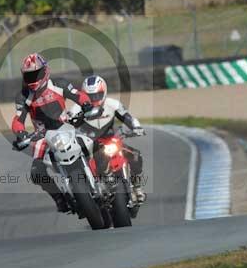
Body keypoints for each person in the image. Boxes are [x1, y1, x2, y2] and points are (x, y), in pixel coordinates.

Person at [11, 53, 93, 212]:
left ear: (45, 70)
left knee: (95, 145)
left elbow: (78, 95)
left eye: (36, 73)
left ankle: (104, 179)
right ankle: (59, 198)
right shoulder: (23, 96)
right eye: (29, 75)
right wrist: (20, 133)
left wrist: (86, 105)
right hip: (41, 136)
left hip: (67, 126)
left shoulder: (59, 83)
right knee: (36, 172)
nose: (33, 78)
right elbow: (18, 120)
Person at [69, 75, 146, 203]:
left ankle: (137, 186)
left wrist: (136, 127)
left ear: (104, 92)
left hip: (112, 141)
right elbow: (68, 125)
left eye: (97, 95)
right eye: (90, 96)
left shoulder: (113, 104)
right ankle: (85, 195)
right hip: (90, 146)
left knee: (136, 156)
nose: (94, 99)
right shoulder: (76, 108)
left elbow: (127, 117)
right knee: (77, 168)